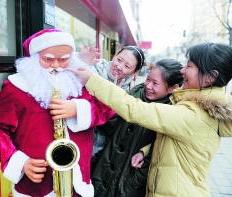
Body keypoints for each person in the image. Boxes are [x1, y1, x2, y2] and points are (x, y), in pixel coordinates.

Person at [49, 42, 232, 197]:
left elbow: (134, 109)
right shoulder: (194, 107)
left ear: (210, 76)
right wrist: (146, 150)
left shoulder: (193, 114)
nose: (183, 70)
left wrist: (93, 80)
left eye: (190, 66)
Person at [0, 29, 115, 197]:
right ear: (33, 57)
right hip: (36, 186)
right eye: (47, 59)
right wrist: (20, 162)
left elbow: (108, 108)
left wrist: (78, 109)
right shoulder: (14, 88)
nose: (55, 65)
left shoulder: (81, 80)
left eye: (63, 59)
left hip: (77, 182)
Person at [90, 59, 184, 197]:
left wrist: (137, 176)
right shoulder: (134, 93)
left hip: (129, 181)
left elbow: (161, 152)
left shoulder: (171, 113)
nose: (148, 85)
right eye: (148, 79)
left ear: (173, 88)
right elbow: (109, 128)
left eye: (155, 83)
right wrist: (108, 107)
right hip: (104, 170)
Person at [79, 45, 145, 165]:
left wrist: (114, 98)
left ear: (134, 72)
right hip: (77, 140)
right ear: (114, 56)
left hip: (99, 152)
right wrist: (80, 61)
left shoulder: (128, 95)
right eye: (119, 60)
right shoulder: (92, 69)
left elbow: (113, 128)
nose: (119, 67)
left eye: (127, 66)